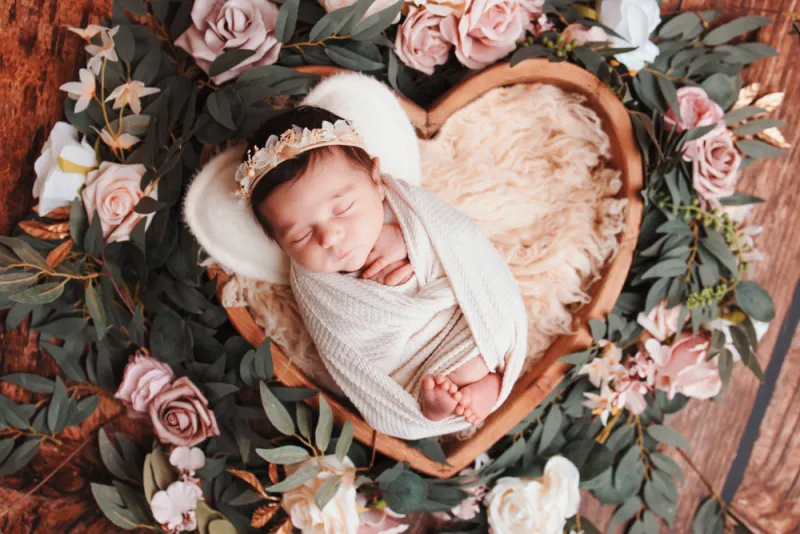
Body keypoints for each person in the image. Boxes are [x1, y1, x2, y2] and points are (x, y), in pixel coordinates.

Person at [239, 105, 527, 439]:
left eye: (343, 208)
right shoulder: (314, 285)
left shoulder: (408, 210)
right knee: (426, 385)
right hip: (407, 365)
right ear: (281, 244)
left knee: (482, 342)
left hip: (461, 321)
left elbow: (462, 241)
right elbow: (342, 347)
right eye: (301, 235)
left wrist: (412, 242)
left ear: (376, 181)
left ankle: (484, 379)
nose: (330, 237)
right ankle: (440, 402)